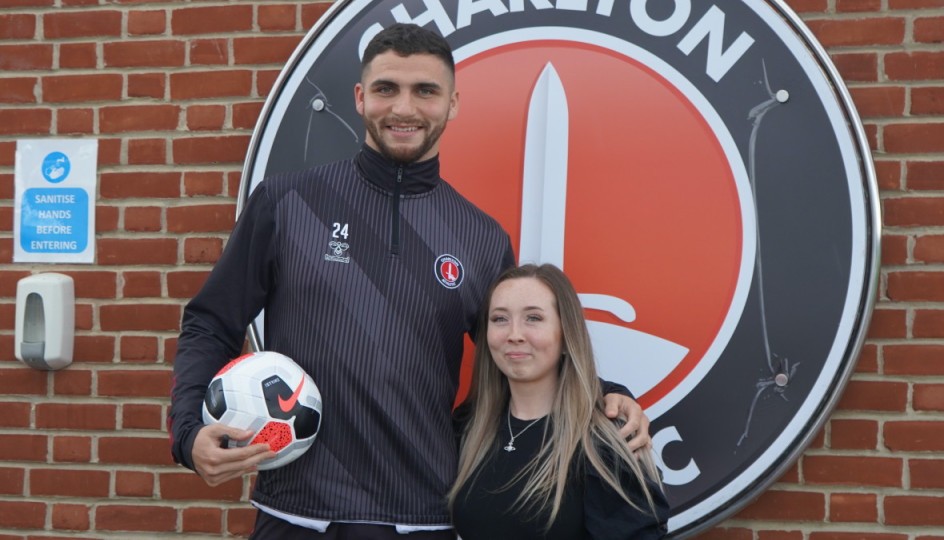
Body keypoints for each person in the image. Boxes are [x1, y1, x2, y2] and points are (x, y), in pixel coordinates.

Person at [168, 23, 650, 539]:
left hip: (421, 516)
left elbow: (519, 351)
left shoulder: (481, 237)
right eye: (386, 89)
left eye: (425, 91)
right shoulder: (286, 202)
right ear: (359, 98)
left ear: (452, 103)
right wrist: (188, 432)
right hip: (295, 512)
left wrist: (604, 394)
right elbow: (210, 323)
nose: (403, 108)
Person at [450, 263, 669, 539]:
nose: (514, 334)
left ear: (566, 336)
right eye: (500, 319)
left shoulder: (605, 440)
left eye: (533, 318)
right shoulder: (469, 427)